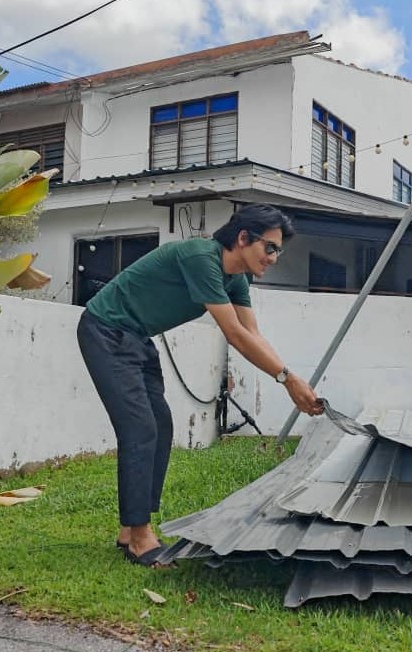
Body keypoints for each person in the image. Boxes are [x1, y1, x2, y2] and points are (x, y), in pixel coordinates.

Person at [76, 203, 323, 568]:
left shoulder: (236, 279)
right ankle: (141, 537)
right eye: (269, 247)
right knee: (140, 428)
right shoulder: (201, 258)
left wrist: (291, 377)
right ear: (243, 238)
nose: (274, 257)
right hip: (105, 330)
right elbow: (235, 334)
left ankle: (130, 529)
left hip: (137, 338)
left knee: (159, 425)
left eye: (278, 250)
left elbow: (253, 333)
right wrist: (288, 381)